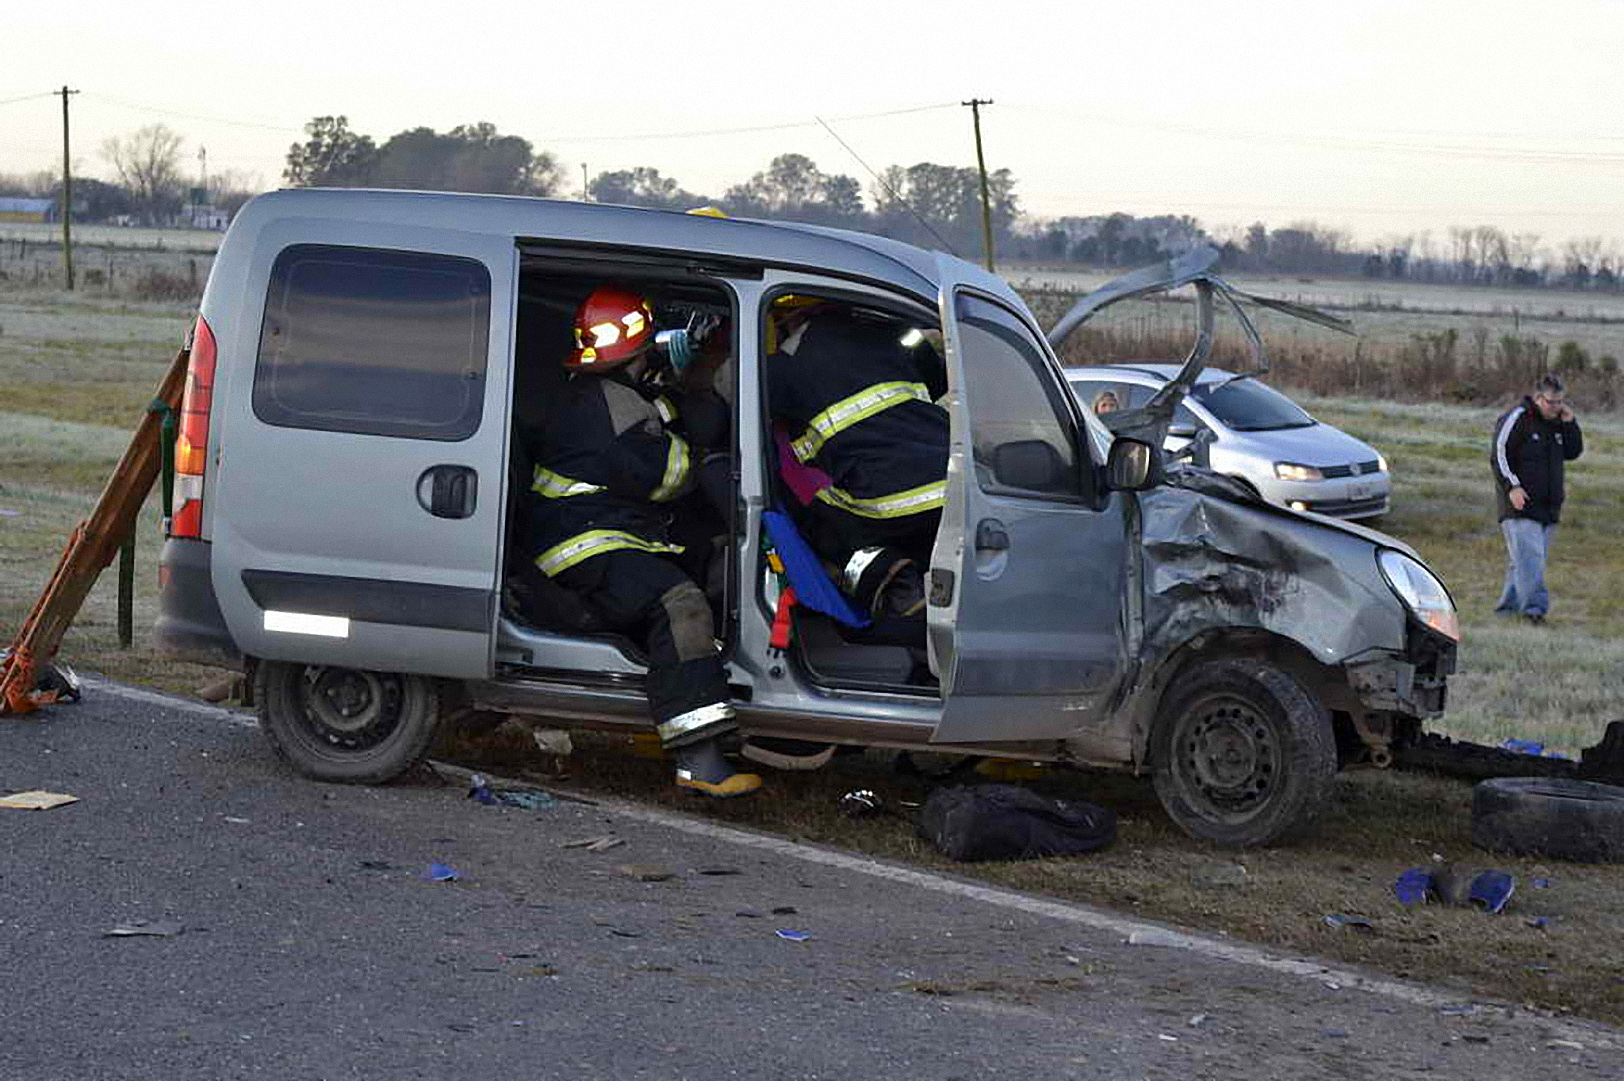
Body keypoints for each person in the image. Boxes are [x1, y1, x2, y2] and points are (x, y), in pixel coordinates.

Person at [526, 285, 760, 797]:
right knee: (679, 604)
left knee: (710, 560)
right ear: (643, 341)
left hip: (603, 531)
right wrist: (707, 457)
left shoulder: (617, 393)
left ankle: (684, 709)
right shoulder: (608, 401)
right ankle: (699, 761)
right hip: (582, 542)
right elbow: (666, 476)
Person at [765, 298, 949, 619]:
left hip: (888, 505)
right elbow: (936, 378)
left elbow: (736, 414)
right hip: (951, 488)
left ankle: (892, 582)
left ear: (786, 319)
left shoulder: (784, 364)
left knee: (808, 516)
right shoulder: (887, 333)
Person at [1490, 373, 1583, 624]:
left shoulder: (1557, 422)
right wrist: (1513, 487)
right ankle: (1534, 611)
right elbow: (1499, 455)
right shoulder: (1517, 418)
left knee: (1522, 561)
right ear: (1538, 398)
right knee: (1530, 559)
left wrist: (1570, 423)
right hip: (1519, 505)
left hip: (1549, 507)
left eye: (1560, 402)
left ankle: (1507, 610)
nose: (1556, 407)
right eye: (1551, 402)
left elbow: (1573, 452)